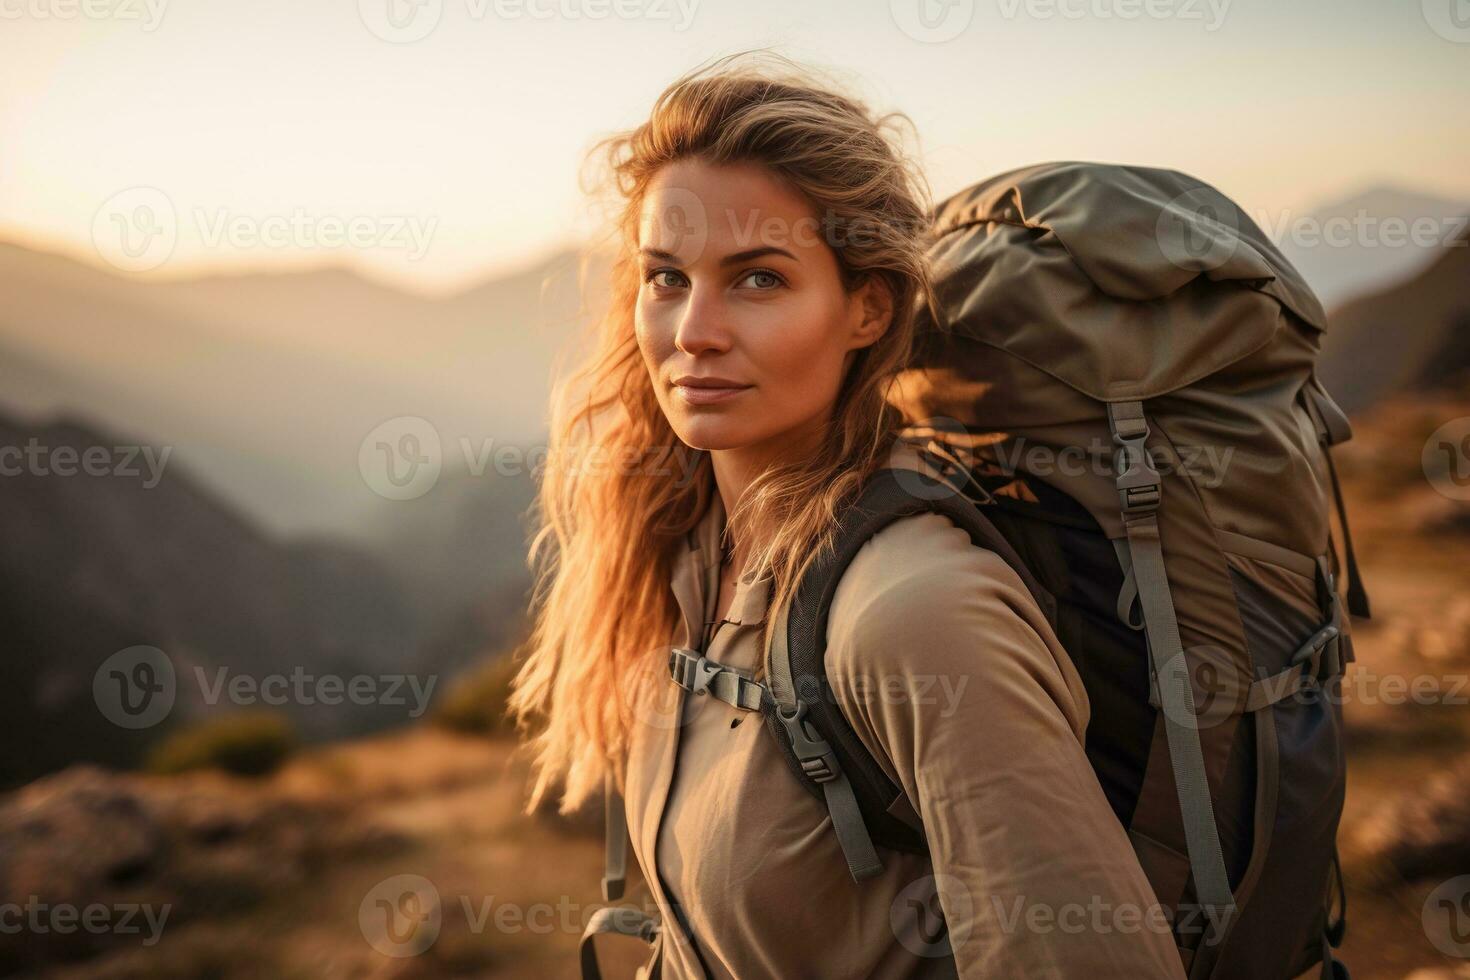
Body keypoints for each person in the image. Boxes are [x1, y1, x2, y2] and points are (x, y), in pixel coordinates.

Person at [509, 52, 1186, 979]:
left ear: (866, 308)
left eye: (758, 280)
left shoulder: (918, 612)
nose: (694, 331)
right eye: (667, 278)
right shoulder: (693, 552)